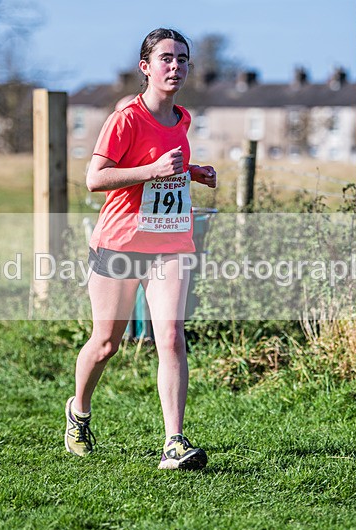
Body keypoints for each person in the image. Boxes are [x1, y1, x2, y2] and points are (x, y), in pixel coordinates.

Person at [64, 28, 217, 470]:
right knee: (107, 342)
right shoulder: (125, 118)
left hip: (170, 242)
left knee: (169, 336)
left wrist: (192, 171)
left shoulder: (182, 120)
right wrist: (152, 169)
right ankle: (79, 411)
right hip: (120, 243)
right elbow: (96, 179)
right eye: (167, 59)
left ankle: (174, 442)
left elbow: (169, 165)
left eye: (183, 59)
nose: (176, 67)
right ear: (145, 67)